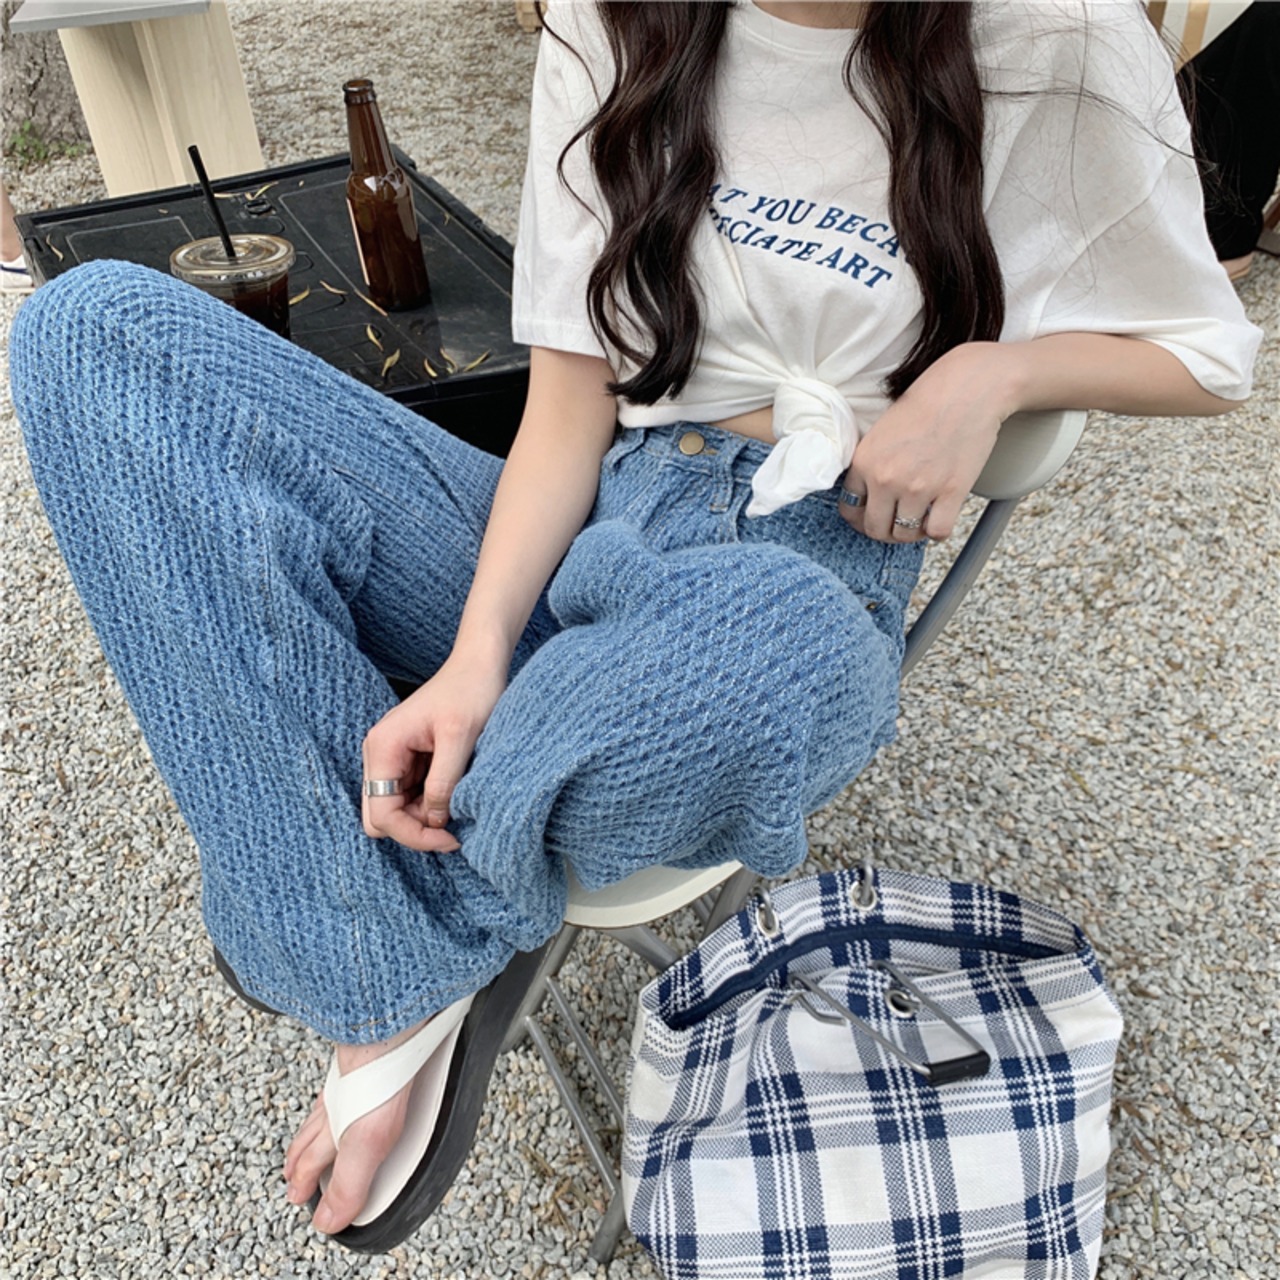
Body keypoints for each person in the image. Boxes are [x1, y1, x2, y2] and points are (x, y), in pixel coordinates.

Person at [7, 0, 1262, 1257]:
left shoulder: (1054, 37)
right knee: (93, 330)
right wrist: (475, 657)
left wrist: (992, 374)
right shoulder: (615, 24)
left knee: (755, 656)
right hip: (596, 514)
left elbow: (1207, 351)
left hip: (800, 563)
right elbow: (567, 404)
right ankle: (388, 960)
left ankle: (344, 893)